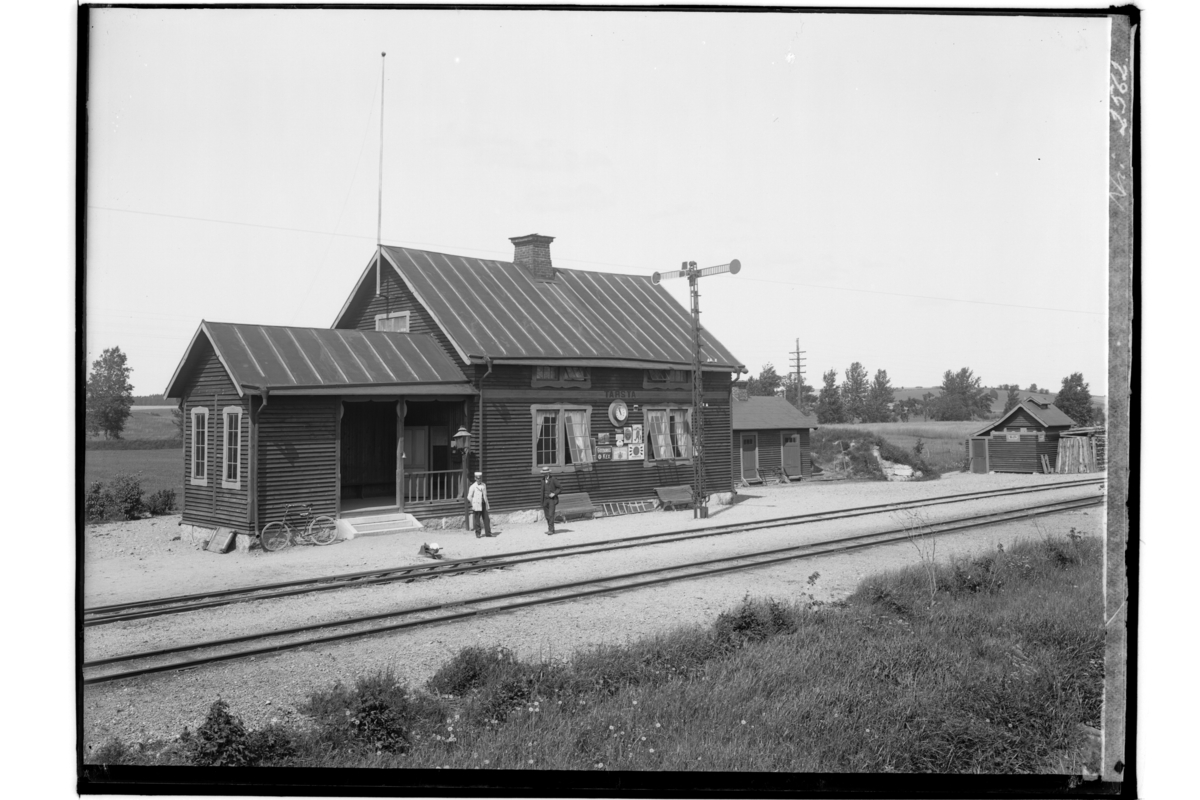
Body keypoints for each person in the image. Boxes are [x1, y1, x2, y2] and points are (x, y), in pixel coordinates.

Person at [467, 471, 493, 538]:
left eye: (480, 478)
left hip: (483, 503)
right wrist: (473, 503)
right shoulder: (473, 486)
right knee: (477, 520)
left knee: (486, 519)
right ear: (475, 478)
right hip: (477, 504)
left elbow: (485, 495)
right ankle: (478, 533)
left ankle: (488, 533)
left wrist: (487, 504)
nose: (479, 479)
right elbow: (469, 497)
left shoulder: (484, 485)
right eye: (478, 478)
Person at [540, 466, 561, 535]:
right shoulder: (543, 480)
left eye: (546, 472)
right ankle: (552, 528)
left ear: (549, 472)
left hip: (552, 500)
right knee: (547, 516)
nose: (545, 474)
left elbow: (560, 488)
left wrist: (554, 493)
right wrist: (542, 501)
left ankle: (550, 530)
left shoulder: (553, 479)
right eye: (544, 473)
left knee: (551, 514)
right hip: (545, 500)